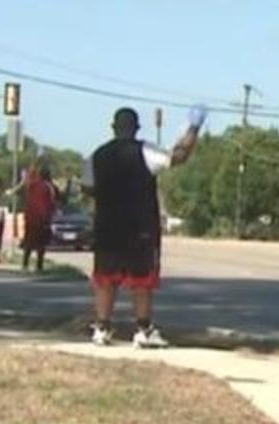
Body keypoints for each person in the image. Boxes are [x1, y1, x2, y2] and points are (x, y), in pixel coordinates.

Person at [82, 106, 205, 348]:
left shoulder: (95, 156)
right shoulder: (145, 151)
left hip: (107, 225)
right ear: (136, 128)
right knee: (142, 280)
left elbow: (87, 188)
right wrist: (194, 128)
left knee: (106, 279)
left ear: (114, 127)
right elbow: (177, 157)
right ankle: (143, 329)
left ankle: (102, 328)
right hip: (140, 226)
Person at [20, 164, 60, 272]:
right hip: (43, 219)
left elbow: (26, 196)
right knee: (41, 244)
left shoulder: (32, 185)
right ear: (49, 175)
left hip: (30, 218)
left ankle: (25, 265)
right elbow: (57, 200)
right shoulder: (50, 186)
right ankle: (39, 266)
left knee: (29, 241)